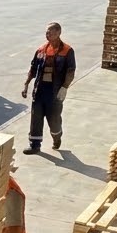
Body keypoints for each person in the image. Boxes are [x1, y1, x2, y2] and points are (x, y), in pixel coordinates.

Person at [21, 22, 76, 154]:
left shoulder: (67, 51)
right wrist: (26, 84)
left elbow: (70, 71)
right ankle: (35, 145)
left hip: (55, 91)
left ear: (58, 33)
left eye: (50, 33)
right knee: (36, 117)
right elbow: (33, 69)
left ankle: (57, 137)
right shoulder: (41, 50)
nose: (47, 35)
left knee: (54, 119)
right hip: (40, 89)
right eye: (46, 32)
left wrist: (64, 87)